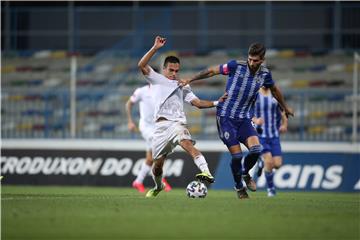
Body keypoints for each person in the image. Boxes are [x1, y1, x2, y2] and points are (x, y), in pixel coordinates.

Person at [179, 42, 294, 199]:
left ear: (262, 60)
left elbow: (274, 90)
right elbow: (212, 71)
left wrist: (285, 107)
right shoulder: (236, 66)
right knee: (237, 156)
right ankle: (239, 187)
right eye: (250, 59)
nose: (252, 63)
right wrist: (191, 79)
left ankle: (245, 174)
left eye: (256, 60)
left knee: (256, 150)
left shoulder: (265, 74)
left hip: (244, 119)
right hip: (226, 117)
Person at [138, 36, 227, 198]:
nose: (174, 73)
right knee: (157, 166)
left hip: (177, 124)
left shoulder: (183, 84)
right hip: (160, 128)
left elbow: (198, 103)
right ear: (164, 69)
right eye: (171, 70)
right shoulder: (156, 79)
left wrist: (216, 102)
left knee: (186, 143)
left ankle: (205, 172)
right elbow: (141, 65)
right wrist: (155, 48)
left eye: (177, 70)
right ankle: (158, 186)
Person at [125, 83, 172, 193]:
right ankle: (161, 179)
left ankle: (138, 181)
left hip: (157, 128)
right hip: (146, 127)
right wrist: (130, 121)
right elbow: (129, 104)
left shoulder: (162, 91)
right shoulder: (141, 91)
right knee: (161, 149)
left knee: (150, 158)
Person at [252, 86, 288, 197]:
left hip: (274, 136)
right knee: (269, 162)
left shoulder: (275, 94)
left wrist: (284, 124)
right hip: (261, 135)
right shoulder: (255, 94)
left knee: (277, 164)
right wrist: (256, 120)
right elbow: (247, 112)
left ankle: (260, 162)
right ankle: (271, 190)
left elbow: (283, 112)